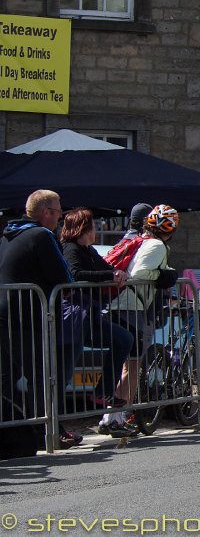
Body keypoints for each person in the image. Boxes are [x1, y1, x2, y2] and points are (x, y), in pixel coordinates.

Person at [0, 190, 74, 457]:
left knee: (6, 378)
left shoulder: (8, 234)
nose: (61, 217)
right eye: (58, 211)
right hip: (28, 314)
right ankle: (45, 432)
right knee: (41, 376)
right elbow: (63, 276)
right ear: (46, 213)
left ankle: (11, 433)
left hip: (5, 312)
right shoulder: (42, 235)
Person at [59, 209, 136, 435]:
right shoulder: (71, 248)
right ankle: (54, 427)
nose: (95, 230)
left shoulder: (88, 249)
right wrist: (109, 276)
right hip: (74, 316)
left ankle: (103, 390)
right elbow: (76, 274)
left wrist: (117, 273)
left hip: (89, 315)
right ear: (83, 228)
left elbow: (105, 267)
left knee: (124, 339)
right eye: (92, 226)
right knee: (64, 371)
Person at [104, 205, 179, 431]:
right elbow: (139, 275)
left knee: (124, 364)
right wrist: (165, 275)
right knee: (132, 365)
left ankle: (111, 416)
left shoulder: (143, 241)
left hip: (122, 304)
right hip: (131, 306)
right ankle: (117, 416)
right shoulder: (157, 245)